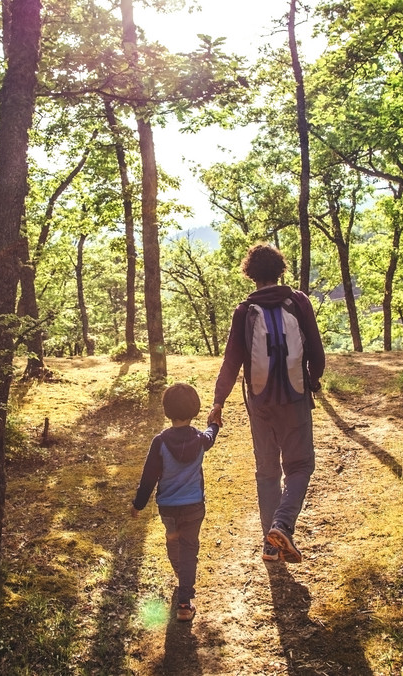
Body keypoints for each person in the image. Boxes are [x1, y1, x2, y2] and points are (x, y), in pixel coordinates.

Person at [208, 244, 324, 564]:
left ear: (251, 274)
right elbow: (316, 351)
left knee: (267, 472)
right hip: (296, 398)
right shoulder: (298, 301)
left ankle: (271, 546)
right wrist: (312, 381)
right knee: (300, 466)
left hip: (259, 404)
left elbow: (232, 362)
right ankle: (282, 525)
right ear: (280, 270)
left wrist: (218, 402)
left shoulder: (245, 310)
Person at [131, 382, 221, 621]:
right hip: (194, 506)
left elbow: (149, 477)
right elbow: (211, 434)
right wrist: (214, 422)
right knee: (190, 547)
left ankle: (183, 579)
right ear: (194, 410)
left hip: (168, 507)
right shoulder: (201, 439)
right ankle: (184, 600)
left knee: (173, 541)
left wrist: (138, 504)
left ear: (166, 410)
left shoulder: (159, 442)